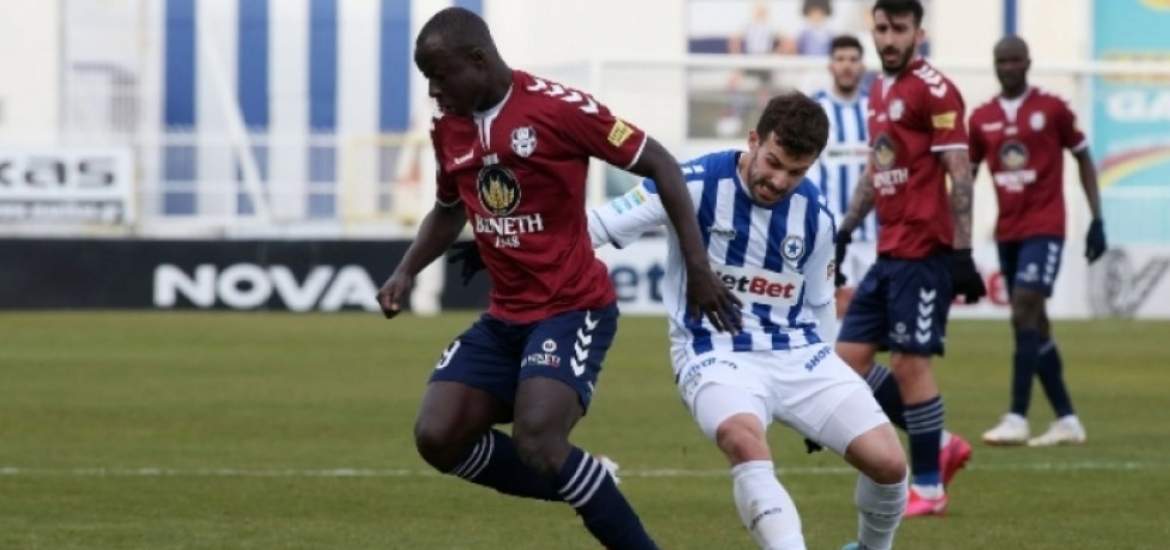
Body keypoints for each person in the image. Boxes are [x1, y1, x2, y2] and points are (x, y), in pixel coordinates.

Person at [376, 8, 739, 549]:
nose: (433, 91)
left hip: (573, 308)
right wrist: (406, 270)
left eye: (440, 76)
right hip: (505, 317)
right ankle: (588, 480)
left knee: (539, 439)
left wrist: (698, 267)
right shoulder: (448, 125)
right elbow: (449, 207)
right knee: (437, 436)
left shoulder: (559, 109)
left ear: (478, 60)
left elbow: (662, 164)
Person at [588, 93, 908, 550]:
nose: (779, 181)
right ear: (754, 140)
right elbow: (595, 226)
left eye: (796, 172)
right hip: (714, 351)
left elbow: (820, 304)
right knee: (743, 440)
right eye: (773, 162)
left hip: (799, 353)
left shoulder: (815, 215)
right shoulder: (693, 182)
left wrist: (828, 372)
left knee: (890, 464)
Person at [833, 0, 985, 518]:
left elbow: (959, 172)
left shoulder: (935, 90)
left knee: (909, 363)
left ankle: (929, 487)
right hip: (889, 250)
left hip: (925, 252)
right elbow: (877, 167)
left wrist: (962, 252)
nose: (889, 38)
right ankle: (938, 442)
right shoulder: (879, 88)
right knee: (845, 364)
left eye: (899, 29)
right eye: (882, 28)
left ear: (919, 33)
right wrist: (846, 228)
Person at [969, 36, 1104, 447]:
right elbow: (965, 177)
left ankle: (1017, 416)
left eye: (1015, 60)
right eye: (1002, 61)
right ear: (994, 65)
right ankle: (1067, 419)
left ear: (1028, 63)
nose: (1009, 67)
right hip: (1007, 231)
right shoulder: (982, 118)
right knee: (1035, 323)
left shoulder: (1053, 108)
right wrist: (957, 236)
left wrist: (1097, 219)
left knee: (1024, 307)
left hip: (1046, 227)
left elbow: (1083, 156)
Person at [806, 35, 876, 318]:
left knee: (873, 318)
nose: (847, 65)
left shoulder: (876, 107)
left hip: (873, 233)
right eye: (840, 59)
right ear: (830, 65)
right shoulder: (814, 109)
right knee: (830, 313)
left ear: (863, 66)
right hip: (830, 233)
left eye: (853, 59)